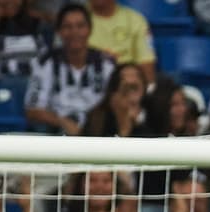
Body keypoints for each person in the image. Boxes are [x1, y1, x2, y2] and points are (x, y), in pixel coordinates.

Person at [24, 4, 116, 135]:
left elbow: (117, 104)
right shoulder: (45, 63)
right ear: (58, 31)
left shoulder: (106, 64)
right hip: (58, 135)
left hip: (99, 135)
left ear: (89, 29)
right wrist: (63, 122)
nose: (74, 32)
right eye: (67, 26)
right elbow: (32, 110)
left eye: (80, 26)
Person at [86, 0, 156, 82]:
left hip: (125, 82)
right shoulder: (77, 20)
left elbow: (146, 62)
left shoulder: (135, 20)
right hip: (89, 80)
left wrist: (149, 89)